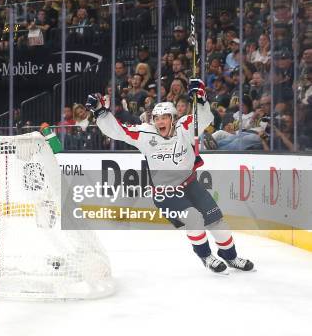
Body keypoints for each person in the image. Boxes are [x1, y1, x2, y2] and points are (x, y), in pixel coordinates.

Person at [85, 79, 254, 274]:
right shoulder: (145, 134)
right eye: (156, 118)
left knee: (218, 223)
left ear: (173, 118)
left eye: (164, 117)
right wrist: (100, 112)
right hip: (165, 193)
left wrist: (201, 99)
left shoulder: (186, 127)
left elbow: (205, 118)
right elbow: (117, 131)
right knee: (194, 219)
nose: (159, 122)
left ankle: (231, 257)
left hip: (191, 185)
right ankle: (206, 256)